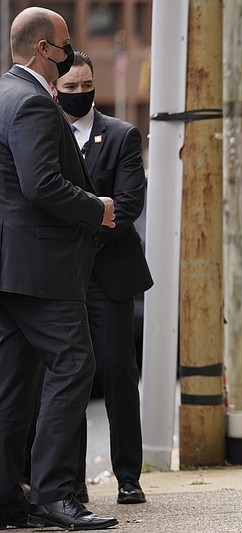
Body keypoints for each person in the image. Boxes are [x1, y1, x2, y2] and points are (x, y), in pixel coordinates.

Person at [0, 7, 118, 530]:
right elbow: (41, 184)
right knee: (74, 366)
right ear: (44, 49)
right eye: (65, 45)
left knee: (14, 385)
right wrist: (97, 207)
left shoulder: (3, 94)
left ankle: (8, 498)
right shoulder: (30, 102)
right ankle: (52, 493)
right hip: (43, 267)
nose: (70, 53)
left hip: (12, 269)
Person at [53, 51, 153, 505]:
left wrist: (82, 232)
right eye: (69, 87)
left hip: (109, 274)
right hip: (61, 278)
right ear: (55, 88)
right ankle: (71, 480)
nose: (78, 94)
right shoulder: (47, 133)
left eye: (84, 85)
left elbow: (129, 205)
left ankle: (128, 476)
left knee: (117, 373)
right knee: (69, 377)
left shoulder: (121, 135)